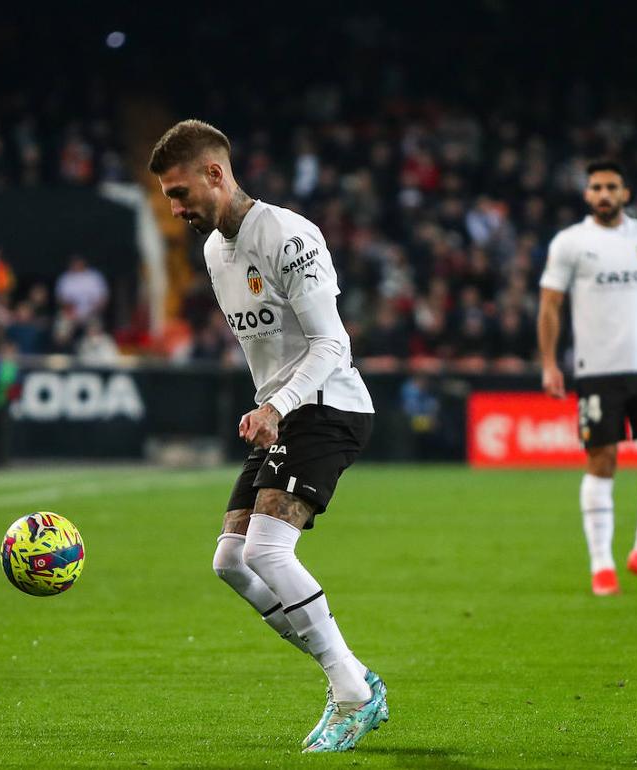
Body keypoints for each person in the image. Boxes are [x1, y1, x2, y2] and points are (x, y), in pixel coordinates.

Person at [148, 119, 386, 753]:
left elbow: (333, 342)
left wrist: (277, 404)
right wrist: (272, 405)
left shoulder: (288, 233)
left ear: (215, 174)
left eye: (178, 193)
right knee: (230, 561)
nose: (174, 208)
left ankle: (352, 693)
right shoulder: (212, 251)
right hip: (281, 412)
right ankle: (351, 673)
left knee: (268, 554)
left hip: (327, 403)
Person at [537, 159, 637, 596]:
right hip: (597, 370)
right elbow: (549, 305)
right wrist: (550, 363)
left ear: (625, 194)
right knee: (602, 462)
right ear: (587, 195)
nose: (604, 194)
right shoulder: (571, 242)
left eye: (612, 187)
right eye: (596, 187)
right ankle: (602, 565)